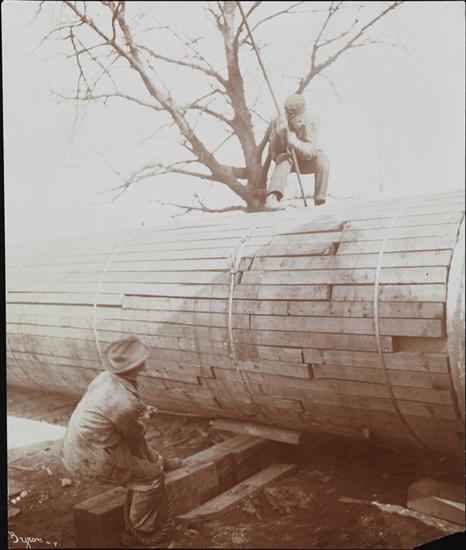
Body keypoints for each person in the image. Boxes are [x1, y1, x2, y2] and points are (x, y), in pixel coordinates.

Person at [62, 335, 181, 547]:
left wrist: (139, 412)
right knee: (152, 477)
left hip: (80, 446)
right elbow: (134, 436)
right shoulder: (125, 403)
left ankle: (158, 460)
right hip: (95, 458)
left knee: (142, 453)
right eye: (141, 360)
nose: (144, 362)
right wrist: (145, 418)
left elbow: (118, 416)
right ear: (134, 366)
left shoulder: (105, 377)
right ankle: (140, 529)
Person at [265, 93, 330, 210]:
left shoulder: (313, 119)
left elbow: (311, 150)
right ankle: (271, 199)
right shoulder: (279, 119)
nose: (296, 121)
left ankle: (320, 202)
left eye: (299, 118)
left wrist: (296, 143)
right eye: (292, 118)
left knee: (323, 160)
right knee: (285, 160)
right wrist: (281, 134)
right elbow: (274, 152)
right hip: (287, 161)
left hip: (306, 159)